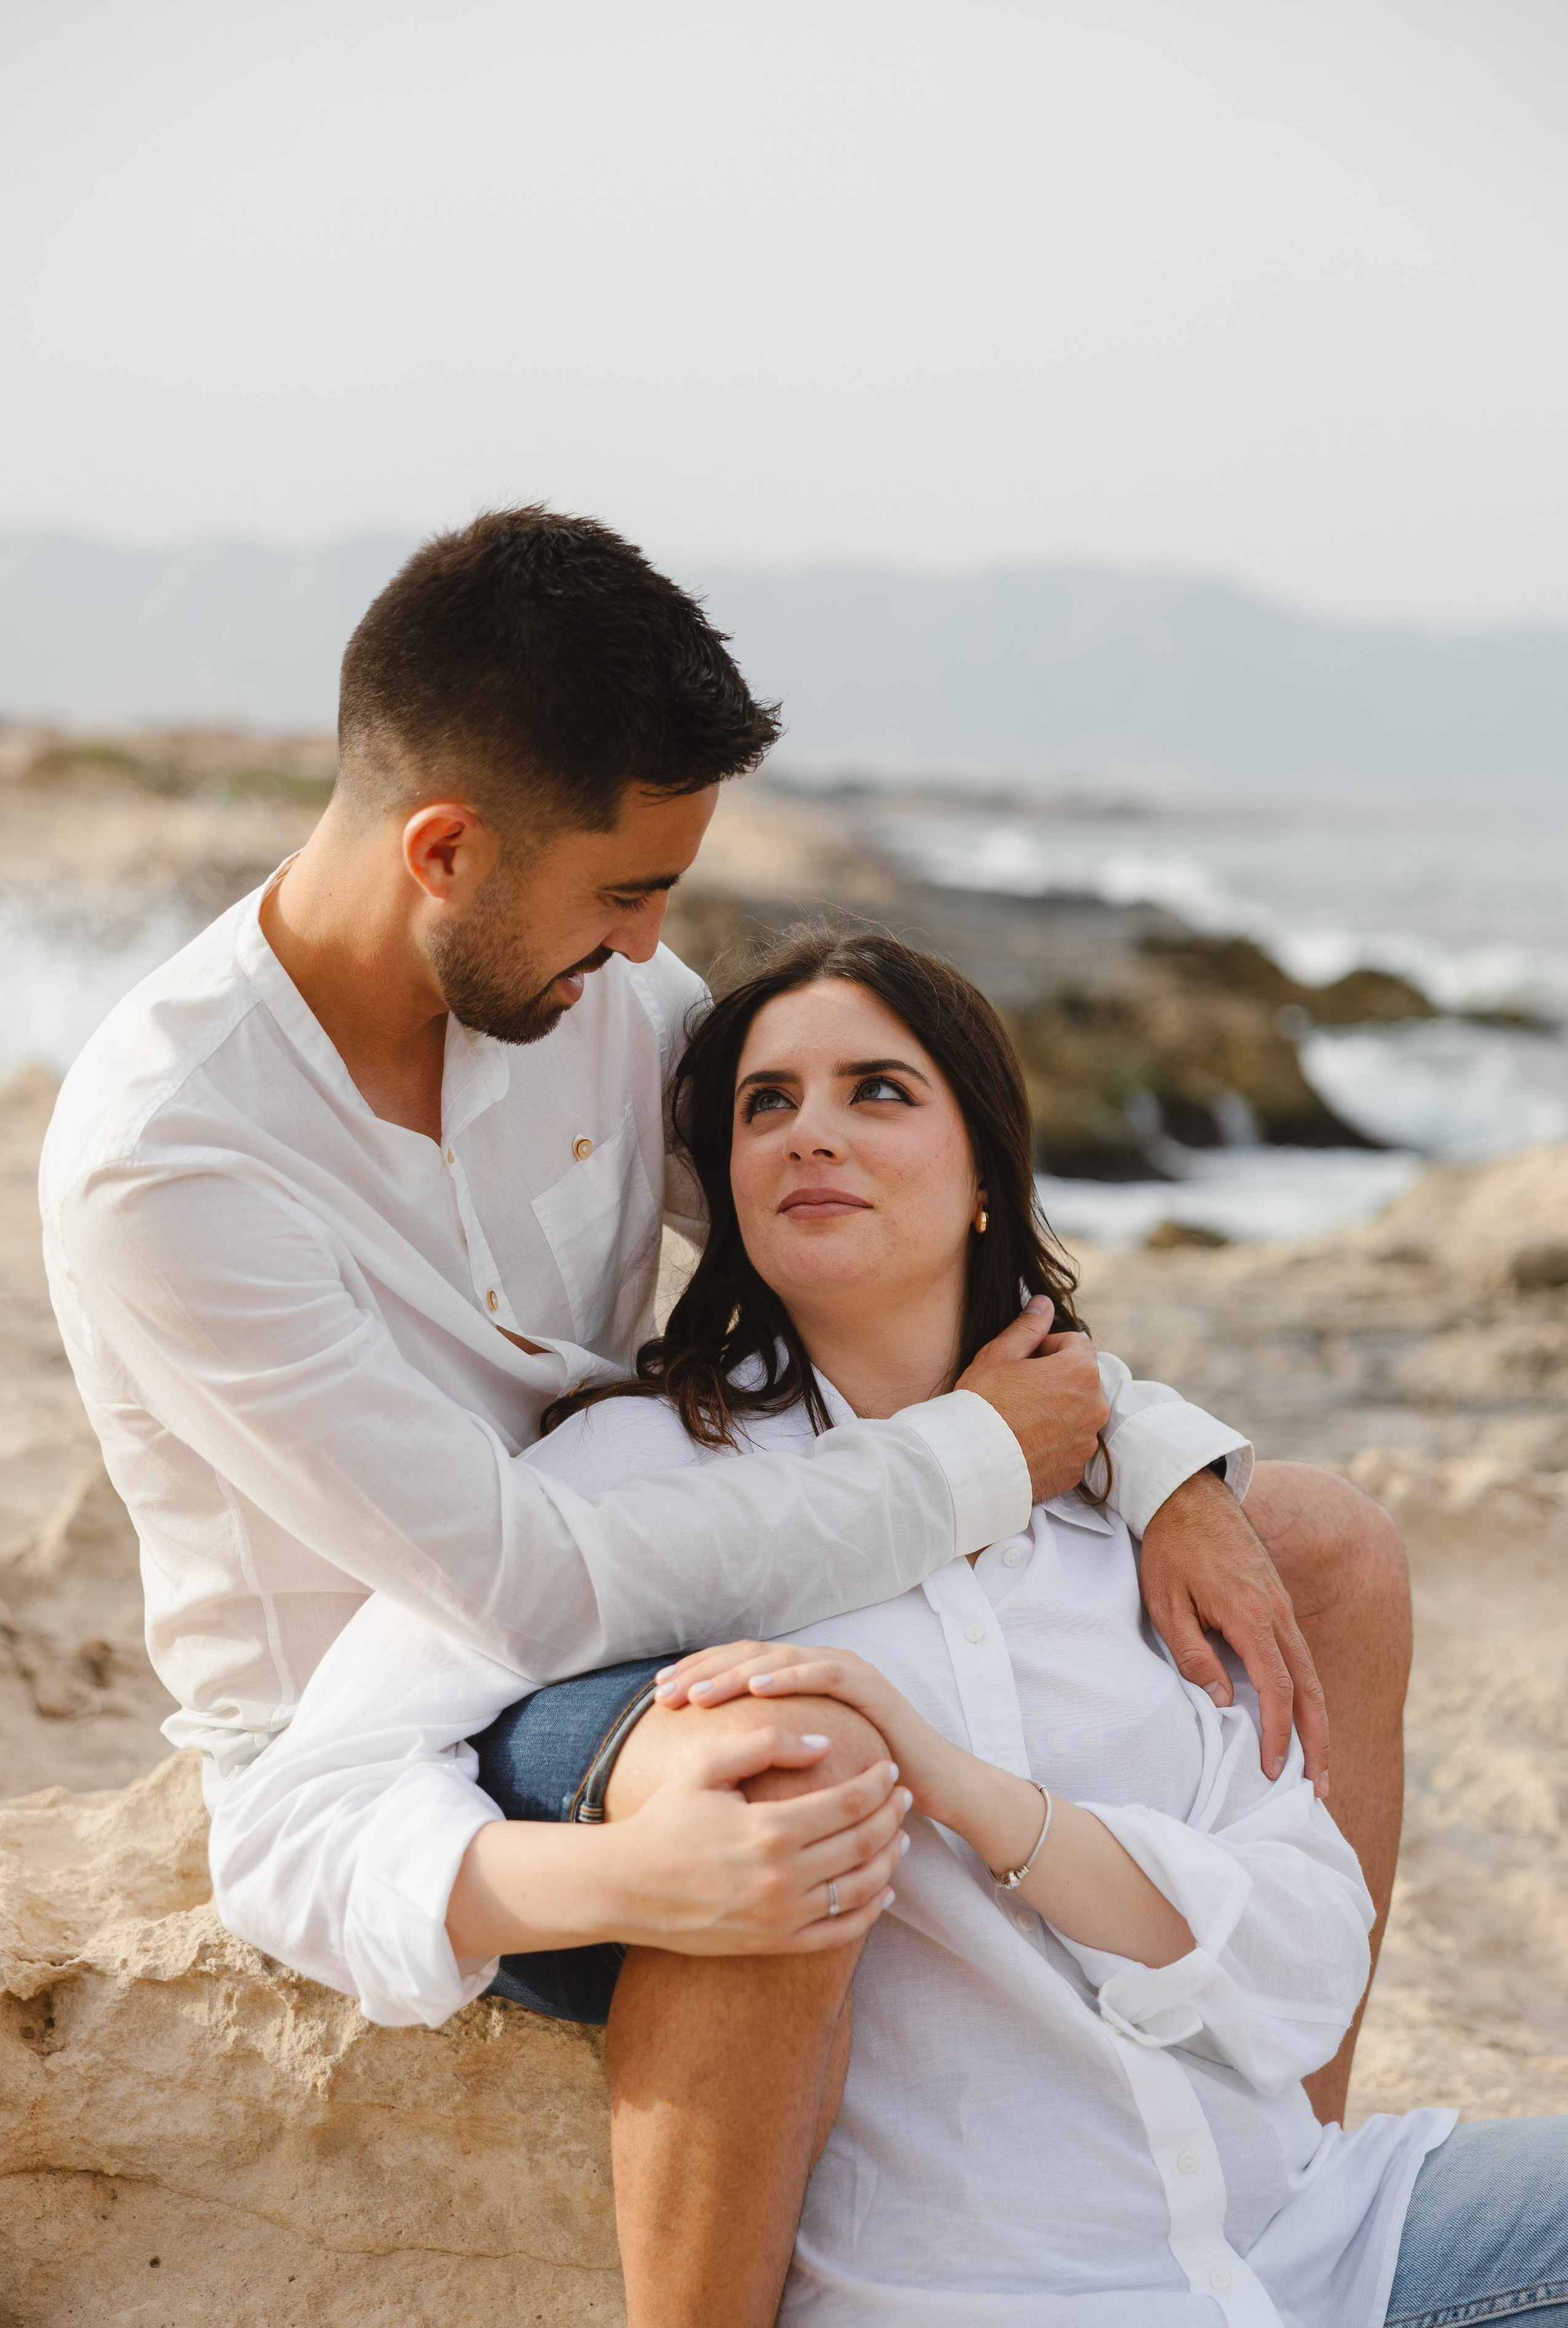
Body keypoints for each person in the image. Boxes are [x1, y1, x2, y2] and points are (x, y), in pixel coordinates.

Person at [42, 510, 1404, 2327]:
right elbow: (523, 1590)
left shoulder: (591, 992)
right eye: (627, 892)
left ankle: (1290, 2177)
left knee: (1323, 1550)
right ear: (444, 850)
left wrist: (1160, 1463)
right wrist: (964, 1467)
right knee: (775, 1759)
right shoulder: (172, 1164)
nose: (655, 946)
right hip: (415, 1722)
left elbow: (882, 1230)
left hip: (682, 1559)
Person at [210, 930, 1568, 2328]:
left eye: (876, 1090)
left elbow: (1306, 1947)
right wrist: (627, 1877)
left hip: (1316, 2246)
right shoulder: (634, 1476)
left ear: (985, 1178)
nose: (811, 1132)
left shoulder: (1118, 1493)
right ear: (728, 1187)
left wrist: (977, 1797)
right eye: (767, 1104)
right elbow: (293, 1819)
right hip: (989, 2297)